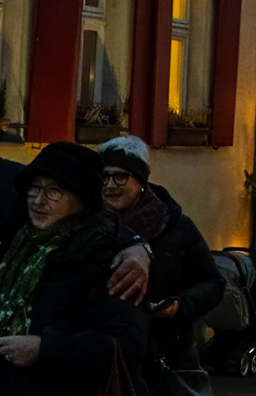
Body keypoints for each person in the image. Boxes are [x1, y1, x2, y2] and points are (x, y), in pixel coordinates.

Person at [0, 142, 147, 395]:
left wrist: (45, 349)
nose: (38, 200)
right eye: (34, 189)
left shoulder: (104, 261)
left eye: (54, 191)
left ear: (82, 197)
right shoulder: (20, 241)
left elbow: (127, 346)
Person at [98, 136, 222, 394]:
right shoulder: (90, 226)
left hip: (167, 352)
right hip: (108, 350)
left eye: (120, 177)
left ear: (141, 181)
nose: (110, 185)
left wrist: (179, 306)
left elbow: (212, 281)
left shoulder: (175, 225)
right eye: (104, 177)